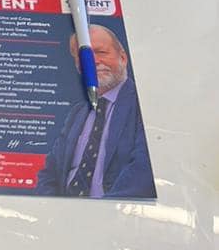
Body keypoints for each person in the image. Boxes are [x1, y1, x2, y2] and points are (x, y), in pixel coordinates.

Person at [35, 25, 156, 199]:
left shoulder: (143, 104)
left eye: (100, 52)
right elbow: (50, 173)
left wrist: (102, 214)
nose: (93, 62)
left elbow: (143, 170)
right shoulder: (77, 113)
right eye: (83, 57)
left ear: (123, 57)